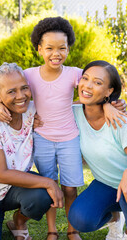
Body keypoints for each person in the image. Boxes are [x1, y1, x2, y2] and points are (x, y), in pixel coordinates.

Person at [0, 17, 126, 240]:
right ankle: (52, 230)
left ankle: (73, 231)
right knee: (49, 186)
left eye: (62, 48)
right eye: (49, 48)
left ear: (68, 49)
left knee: (69, 188)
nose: (56, 53)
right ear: (39, 49)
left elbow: (94, 87)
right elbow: (7, 88)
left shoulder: (75, 73)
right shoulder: (29, 75)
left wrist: (110, 103)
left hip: (69, 139)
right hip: (42, 137)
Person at [0, 62, 64, 240]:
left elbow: (66, 106)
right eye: (11, 91)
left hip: (16, 189)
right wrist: (49, 182)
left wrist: (107, 103)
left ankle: (18, 221)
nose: (21, 96)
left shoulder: (32, 109)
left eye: (24, 88)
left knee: (41, 195)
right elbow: (0, 174)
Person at [68, 60, 127, 240]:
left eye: (98, 82)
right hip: (106, 185)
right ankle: (115, 218)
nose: (88, 85)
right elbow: (45, 110)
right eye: (85, 78)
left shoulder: (119, 119)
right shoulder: (73, 113)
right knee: (80, 218)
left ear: (109, 91)